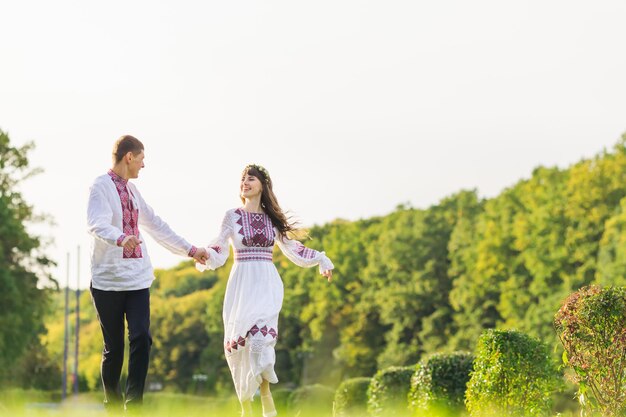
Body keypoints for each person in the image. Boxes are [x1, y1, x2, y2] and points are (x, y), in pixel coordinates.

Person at [197, 164, 334, 417]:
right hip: (241, 285)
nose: (245, 182)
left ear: (262, 185)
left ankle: (265, 392)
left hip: (266, 283)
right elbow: (219, 246)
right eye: (242, 179)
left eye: (251, 178)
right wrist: (205, 255)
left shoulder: (272, 220)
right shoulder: (232, 216)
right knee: (240, 346)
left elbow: (293, 248)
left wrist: (321, 260)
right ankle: (246, 408)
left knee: (260, 341)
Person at [87, 135, 208, 413]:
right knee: (114, 349)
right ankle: (114, 406)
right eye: (141, 159)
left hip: (138, 278)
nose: (143, 165)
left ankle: (135, 405)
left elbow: (155, 225)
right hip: (108, 281)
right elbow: (96, 224)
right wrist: (120, 238)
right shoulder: (100, 187)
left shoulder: (132, 192)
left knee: (141, 336)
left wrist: (190, 250)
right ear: (129, 157)